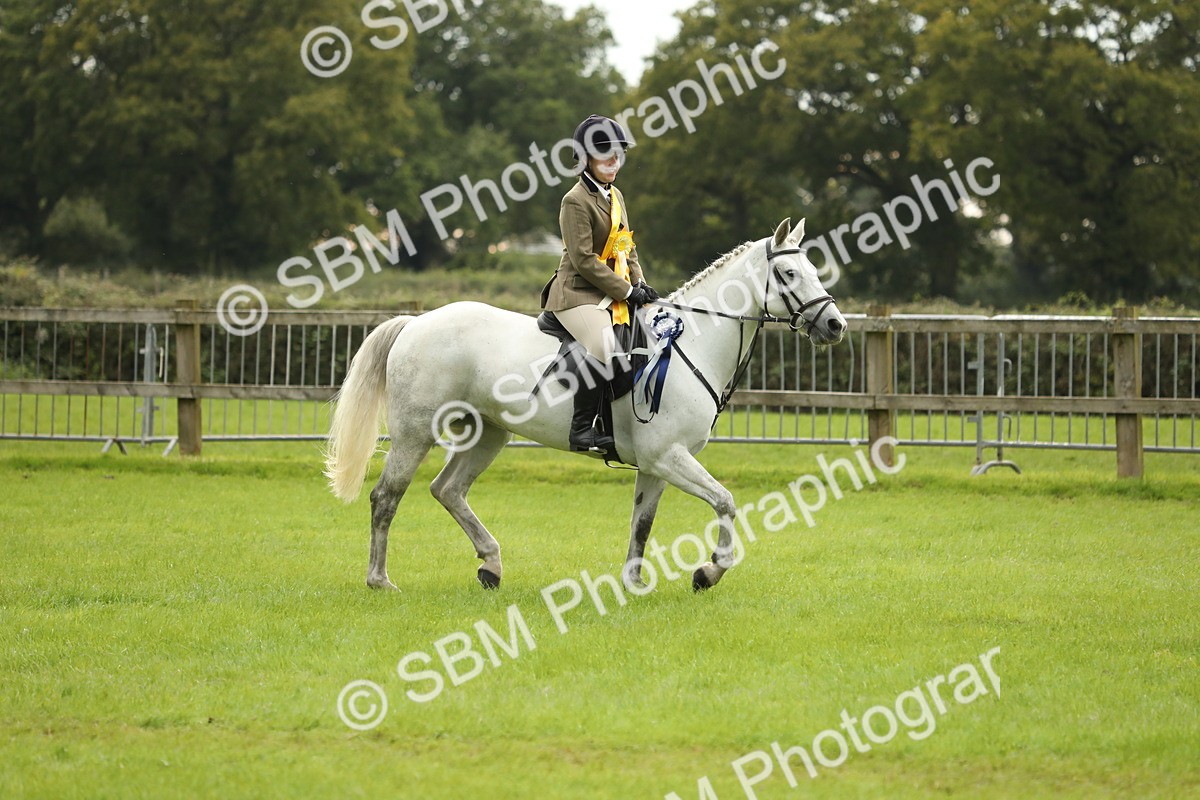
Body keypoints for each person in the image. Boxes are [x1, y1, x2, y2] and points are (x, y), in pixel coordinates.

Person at [539, 114, 660, 454]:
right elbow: (584, 260)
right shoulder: (574, 200)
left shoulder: (615, 195)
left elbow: (625, 247)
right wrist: (627, 291)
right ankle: (581, 431)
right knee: (604, 343)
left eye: (618, 154)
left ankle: (618, 424)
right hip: (577, 293)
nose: (613, 161)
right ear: (585, 158)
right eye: (605, 154)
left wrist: (641, 284)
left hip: (610, 291)